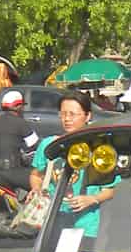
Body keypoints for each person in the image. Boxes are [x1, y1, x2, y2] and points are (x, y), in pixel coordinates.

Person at [29, 90, 119, 244]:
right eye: (63, 114)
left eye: (73, 114)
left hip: (86, 225)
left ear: (88, 116)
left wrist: (92, 199)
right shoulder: (49, 145)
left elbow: (110, 189)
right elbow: (36, 175)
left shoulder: (100, 149)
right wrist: (37, 190)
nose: (67, 119)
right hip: (52, 220)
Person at [0, 90, 38, 190]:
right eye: (22, 106)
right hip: (11, 172)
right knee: (39, 179)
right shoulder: (21, 123)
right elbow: (35, 145)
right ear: (17, 106)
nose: (23, 109)